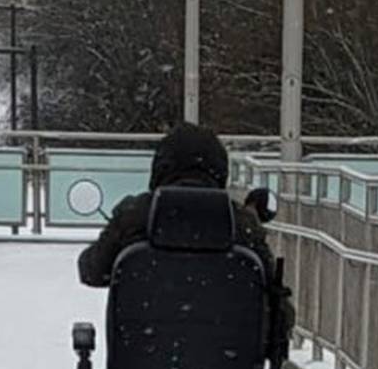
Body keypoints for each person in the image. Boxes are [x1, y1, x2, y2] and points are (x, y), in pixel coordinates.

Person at [77, 122, 293, 342]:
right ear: (220, 169)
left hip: (140, 365)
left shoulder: (134, 216)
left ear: (160, 167)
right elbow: (280, 308)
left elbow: (92, 271)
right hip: (226, 368)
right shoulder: (242, 226)